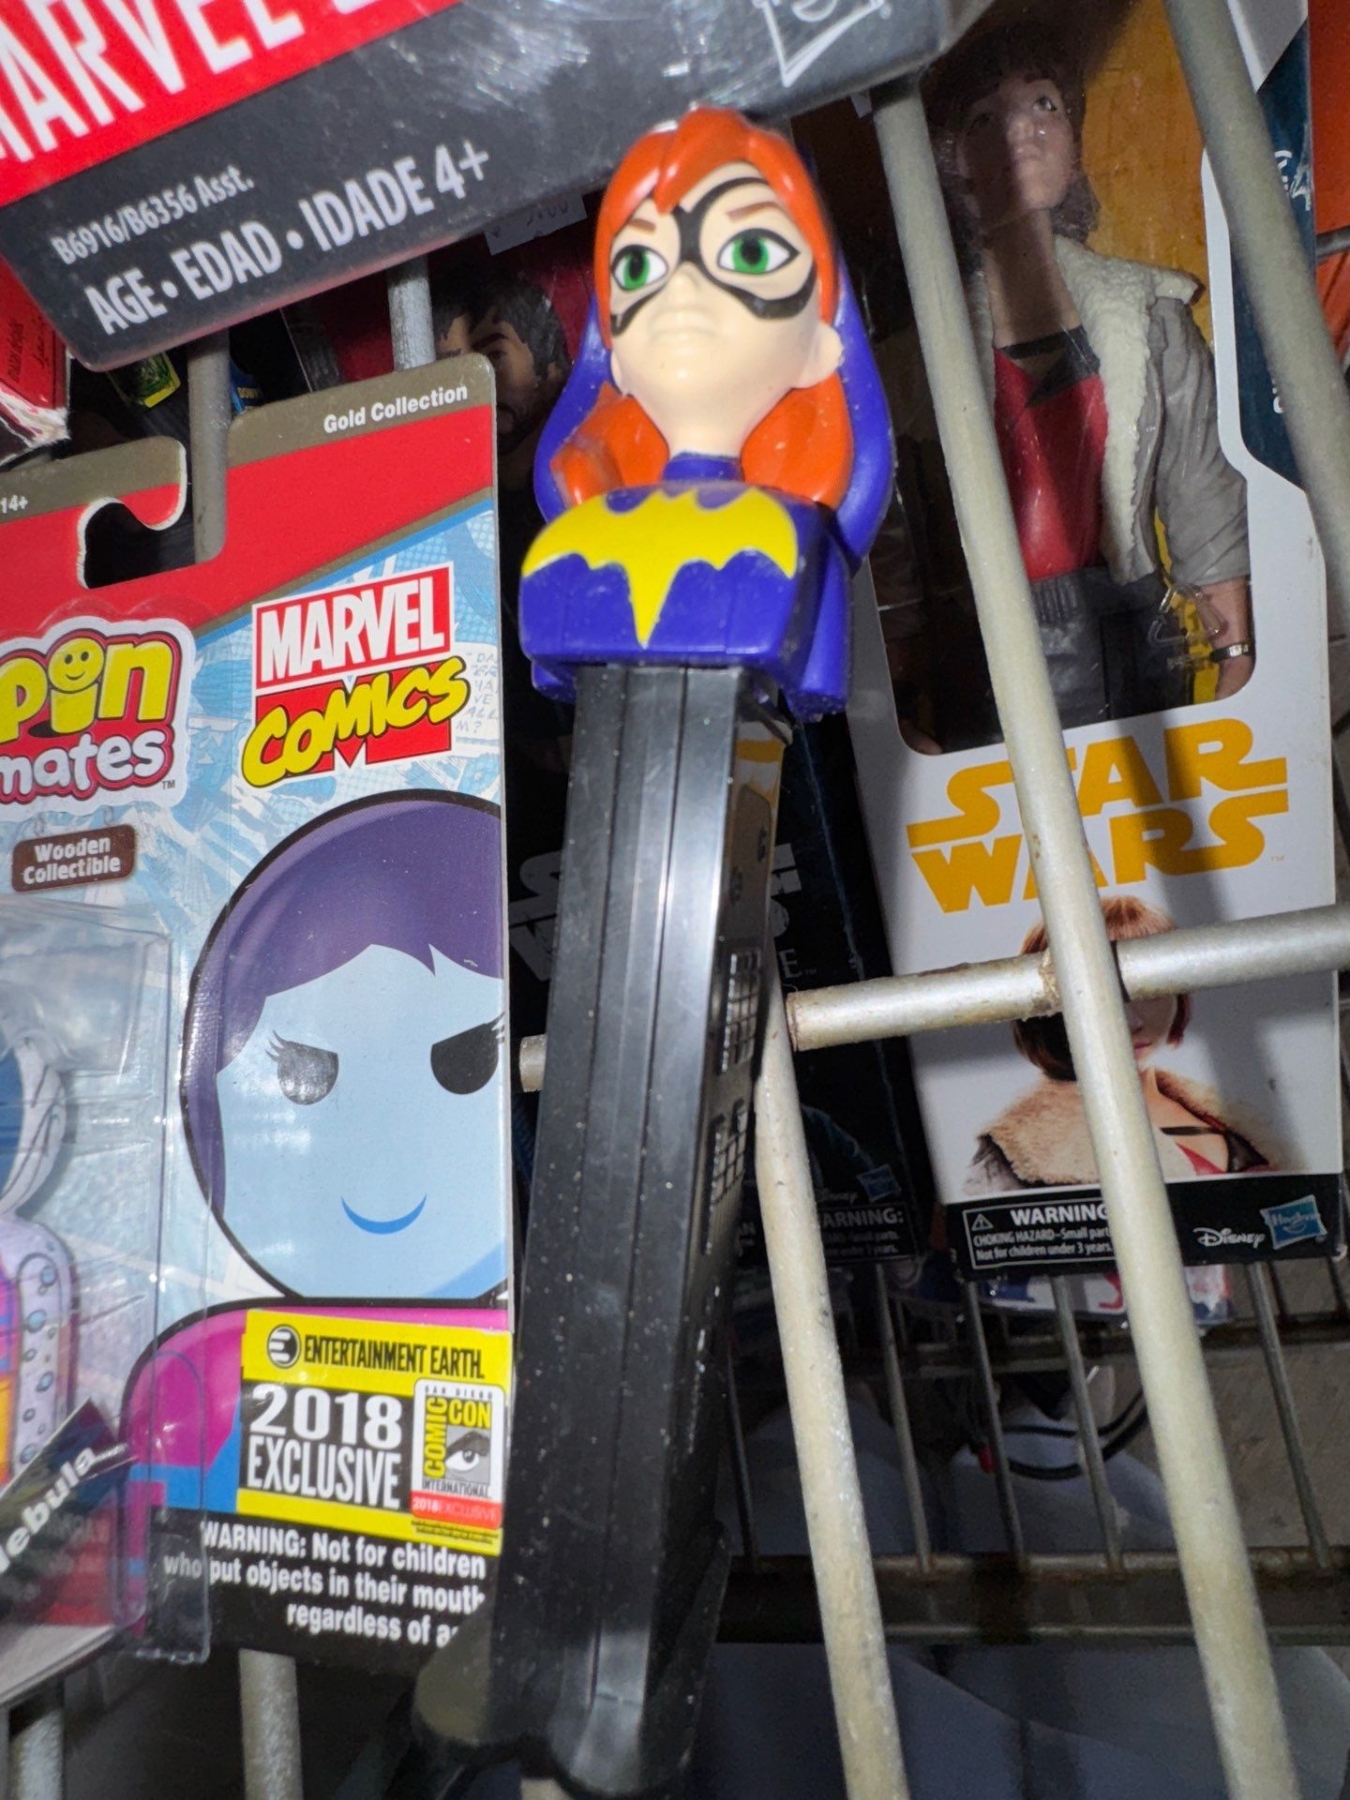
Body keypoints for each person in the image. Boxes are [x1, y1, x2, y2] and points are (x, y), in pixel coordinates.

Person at [903, 25, 1252, 748]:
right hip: (986, 655)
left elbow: (1198, 485)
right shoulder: (920, 354)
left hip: (1127, 637)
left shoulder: (1148, 314)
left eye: (1044, 105)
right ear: (953, 160)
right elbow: (894, 524)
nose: (1022, 131)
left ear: (1074, 141)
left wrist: (1236, 654)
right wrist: (898, 701)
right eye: (985, 118)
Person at [522, 105, 893, 716]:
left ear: (821, 346)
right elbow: (556, 669)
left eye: (750, 253)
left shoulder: (797, 538)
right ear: (615, 362)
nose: (683, 288)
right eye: (639, 266)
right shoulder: (575, 538)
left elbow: (814, 687)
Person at [966, 894, 1277, 1195]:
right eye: (1102, 998)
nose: (1131, 1021)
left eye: (1148, 991)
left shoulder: (1232, 1116)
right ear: (1049, 1013)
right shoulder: (1014, 1151)